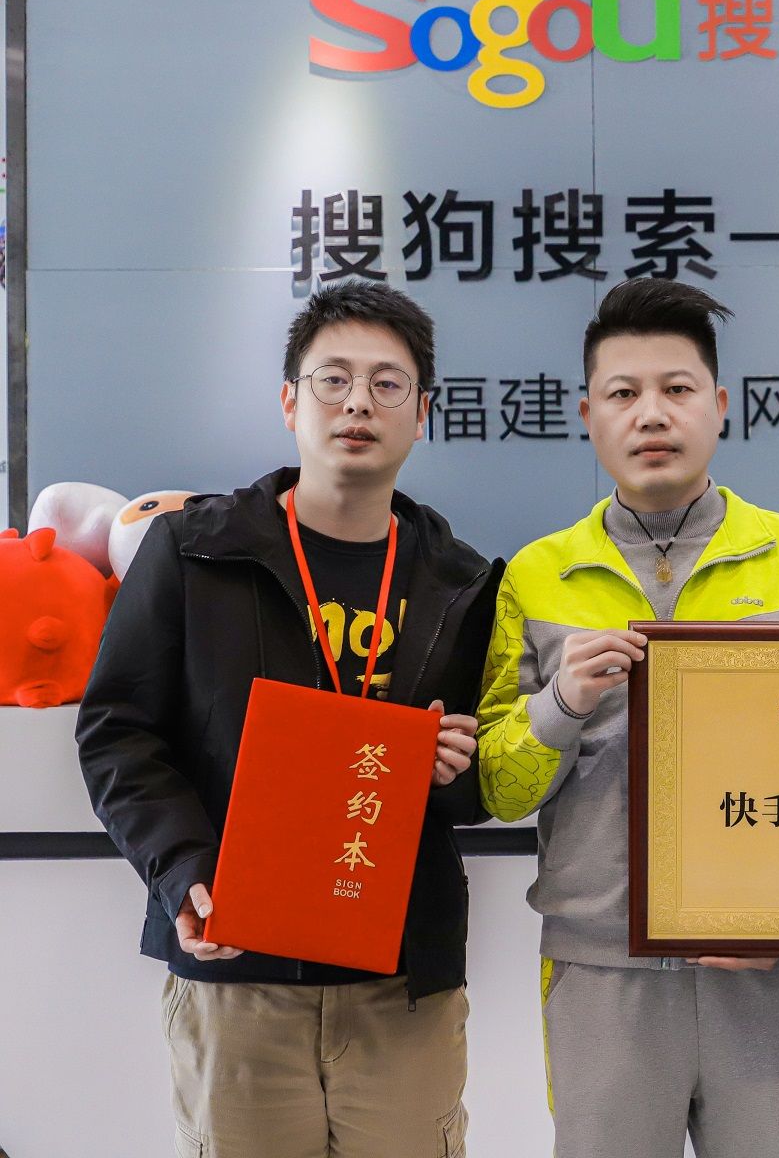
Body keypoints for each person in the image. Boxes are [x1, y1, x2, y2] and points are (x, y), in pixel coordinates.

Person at [76, 281, 500, 1156]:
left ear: (423, 413)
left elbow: (476, 787)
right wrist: (184, 869)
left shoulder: (461, 584)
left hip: (400, 987)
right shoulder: (193, 551)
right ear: (288, 402)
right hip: (237, 973)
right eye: (332, 379)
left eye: (388, 384)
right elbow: (118, 729)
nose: (358, 403)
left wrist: (457, 767)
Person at [476, 277, 779, 1158]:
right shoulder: (536, 575)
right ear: (589, 416)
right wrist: (561, 704)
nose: (651, 413)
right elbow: (499, 787)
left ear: (719, 406)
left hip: (767, 965)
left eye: (677, 389)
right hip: (601, 969)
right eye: (623, 393)